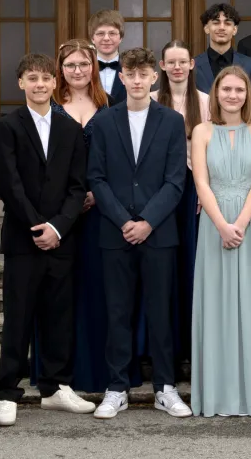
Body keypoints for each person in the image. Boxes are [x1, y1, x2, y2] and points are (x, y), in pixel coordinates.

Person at [0, 53, 95, 426]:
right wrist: (38, 226)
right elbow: (8, 183)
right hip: (24, 238)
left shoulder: (70, 128)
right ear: (21, 83)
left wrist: (58, 228)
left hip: (61, 239)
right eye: (31, 78)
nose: (39, 84)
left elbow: (76, 185)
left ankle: (55, 388)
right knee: (18, 317)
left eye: (45, 78)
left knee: (58, 315)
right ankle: (7, 391)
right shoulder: (7, 126)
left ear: (55, 83)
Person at [87, 47, 192, 419]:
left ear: (153, 77)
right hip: (115, 234)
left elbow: (176, 180)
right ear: (121, 78)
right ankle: (117, 388)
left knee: (161, 312)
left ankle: (165, 386)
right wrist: (123, 221)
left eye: (142, 73)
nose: (135, 80)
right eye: (129, 73)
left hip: (159, 232)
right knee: (118, 312)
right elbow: (96, 178)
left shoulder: (170, 121)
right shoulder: (104, 121)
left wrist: (147, 220)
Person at [190, 65, 251, 417]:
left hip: (250, 223)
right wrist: (222, 226)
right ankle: (216, 394)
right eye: (226, 89)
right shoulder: (201, 131)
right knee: (216, 307)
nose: (232, 95)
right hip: (213, 225)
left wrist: (239, 223)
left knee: (250, 304)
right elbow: (201, 183)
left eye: (239, 90)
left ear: (247, 94)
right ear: (215, 93)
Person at [52, 39, 112, 393]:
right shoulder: (51, 106)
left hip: (101, 211)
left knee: (98, 289)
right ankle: (61, 371)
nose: (78, 71)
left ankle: (98, 369)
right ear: (61, 69)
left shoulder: (108, 105)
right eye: (71, 65)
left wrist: (97, 194)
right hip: (61, 212)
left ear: (93, 67)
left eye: (84, 64)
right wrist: (71, 201)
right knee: (61, 290)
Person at [150, 39, 211, 359]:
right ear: (161, 66)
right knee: (162, 267)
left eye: (181, 62)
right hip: (156, 193)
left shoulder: (204, 102)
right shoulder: (148, 101)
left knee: (189, 265)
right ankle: (161, 346)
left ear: (191, 65)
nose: (176, 67)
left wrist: (205, 190)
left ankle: (190, 346)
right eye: (169, 62)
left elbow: (212, 151)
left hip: (192, 191)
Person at [194, 3, 251, 93]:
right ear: (206, 28)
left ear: (234, 29)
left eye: (227, 23)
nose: (222, 27)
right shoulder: (193, 67)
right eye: (216, 23)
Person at [89, 10, 127, 106]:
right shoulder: (83, 69)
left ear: (121, 37)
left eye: (112, 33)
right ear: (92, 38)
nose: (106, 38)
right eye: (100, 33)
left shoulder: (131, 68)